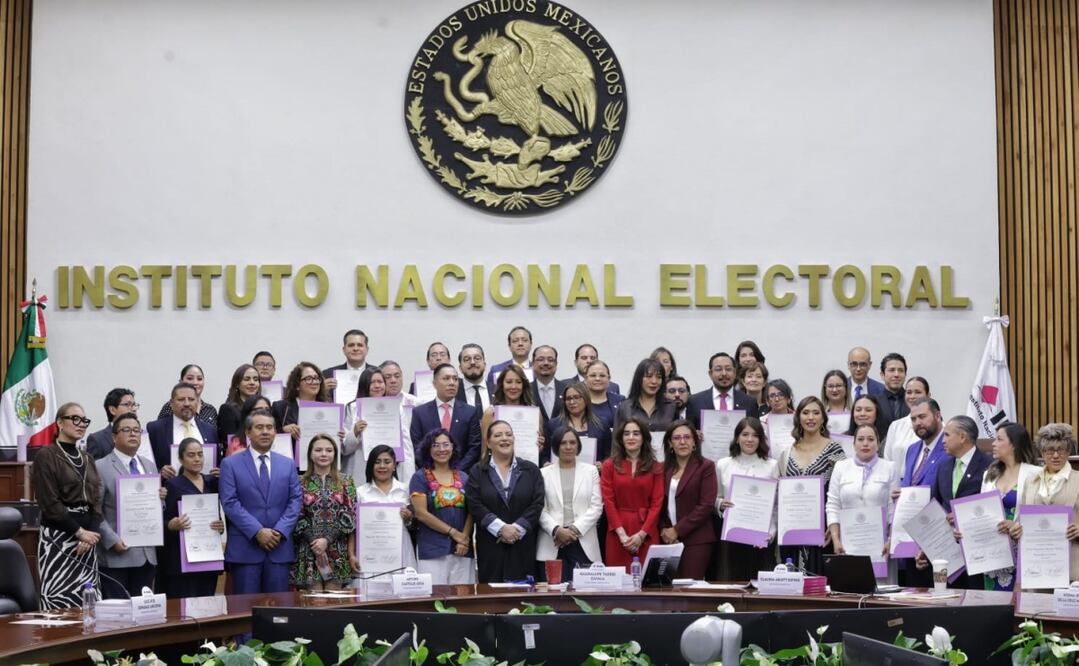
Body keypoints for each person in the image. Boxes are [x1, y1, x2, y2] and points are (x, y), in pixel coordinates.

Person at [220, 409, 302, 594]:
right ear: (248, 433)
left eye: (269, 427)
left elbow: (295, 500)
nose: (265, 432)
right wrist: (257, 531)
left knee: (280, 613)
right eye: (259, 427)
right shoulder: (230, 464)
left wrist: (279, 531)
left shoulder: (287, 464)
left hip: (278, 549)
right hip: (245, 549)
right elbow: (230, 502)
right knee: (244, 612)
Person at [33, 403, 103, 610]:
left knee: (88, 604)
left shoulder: (88, 458)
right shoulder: (46, 455)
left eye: (84, 420)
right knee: (59, 604)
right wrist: (78, 532)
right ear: (60, 423)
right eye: (75, 419)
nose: (81, 424)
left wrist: (90, 534)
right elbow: (49, 502)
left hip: (87, 539)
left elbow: (97, 500)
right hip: (58, 537)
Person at [465, 420, 545, 583]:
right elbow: (474, 504)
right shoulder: (477, 471)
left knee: (522, 600)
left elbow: (537, 503)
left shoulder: (531, 469)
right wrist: (500, 528)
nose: (504, 438)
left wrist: (516, 529)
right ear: (488, 443)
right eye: (498, 435)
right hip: (490, 545)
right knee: (492, 599)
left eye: (508, 434)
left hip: (523, 544)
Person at [95, 412, 160, 599]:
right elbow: (94, 510)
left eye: (137, 431)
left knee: (143, 617)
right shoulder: (100, 466)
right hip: (117, 556)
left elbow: (152, 507)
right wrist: (111, 539)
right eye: (127, 430)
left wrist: (160, 500)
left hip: (146, 555)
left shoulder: (149, 465)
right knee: (119, 619)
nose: (133, 434)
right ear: (114, 437)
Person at [777, 396, 846, 574]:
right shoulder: (787, 452)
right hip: (793, 530)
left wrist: (834, 525)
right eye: (805, 412)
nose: (811, 417)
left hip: (823, 531)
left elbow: (842, 491)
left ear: (823, 418)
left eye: (816, 413)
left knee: (820, 583)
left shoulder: (834, 449)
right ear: (798, 417)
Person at [826, 424, 899, 584]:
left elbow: (894, 508)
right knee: (851, 589)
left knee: (881, 594)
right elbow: (833, 504)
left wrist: (891, 539)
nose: (865, 443)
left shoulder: (890, 467)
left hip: (881, 546)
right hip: (849, 544)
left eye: (871, 439)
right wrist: (836, 539)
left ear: (878, 444)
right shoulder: (841, 467)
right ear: (854, 444)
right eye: (861, 439)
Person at [926, 415, 993, 589]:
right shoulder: (944, 465)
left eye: (947, 435)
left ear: (962, 437)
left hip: (977, 552)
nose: (943, 441)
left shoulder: (990, 466)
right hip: (946, 552)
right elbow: (936, 504)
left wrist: (962, 518)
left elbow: (992, 508)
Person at [974, 422, 1039, 591]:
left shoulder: (1036, 474)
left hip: (1021, 555)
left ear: (1014, 445)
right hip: (993, 557)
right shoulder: (988, 475)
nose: (993, 443)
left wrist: (1018, 526)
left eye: (999, 439)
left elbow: (1041, 516)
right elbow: (980, 513)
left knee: (1019, 610)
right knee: (993, 611)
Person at [1013, 424, 1079, 587]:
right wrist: (1016, 528)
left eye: (1061, 450)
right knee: (1034, 611)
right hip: (1034, 570)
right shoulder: (1030, 481)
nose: (1056, 455)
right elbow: (1021, 520)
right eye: (1050, 450)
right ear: (1042, 452)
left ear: (1069, 451)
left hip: (1072, 569)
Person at [290, 434, 358, 590]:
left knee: (334, 605)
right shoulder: (299, 482)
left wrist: (326, 540)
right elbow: (296, 516)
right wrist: (315, 543)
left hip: (337, 550)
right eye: (318, 450)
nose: (323, 454)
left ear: (335, 454)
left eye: (328, 450)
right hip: (308, 549)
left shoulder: (346, 481)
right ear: (310, 454)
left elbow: (349, 516)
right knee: (314, 604)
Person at [409, 429, 475, 584]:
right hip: (432, 550)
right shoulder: (420, 477)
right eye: (436, 445)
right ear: (428, 449)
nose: (442, 449)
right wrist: (453, 532)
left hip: (462, 549)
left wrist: (463, 539)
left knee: (462, 599)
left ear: (452, 447)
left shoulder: (465, 477)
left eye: (446, 444)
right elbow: (421, 513)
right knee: (434, 599)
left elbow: (472, 512)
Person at [716, 417, 778, 580]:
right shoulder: (723, 464)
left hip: (761, 539)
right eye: (745, 434)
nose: (750, 439)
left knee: (761, 589)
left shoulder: (771, 465)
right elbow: (716, 497)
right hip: (732, 538)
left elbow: (776, 505)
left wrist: (770, 533)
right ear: (737, 438)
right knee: (732, 586)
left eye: (755, 435)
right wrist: (720, 504)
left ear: (761, 439)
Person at [537, 428, 603, 581]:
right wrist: (557, 530)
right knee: (552, 598)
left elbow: (596, 507)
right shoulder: (543, 473)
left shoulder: (591, 471)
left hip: (582, 541)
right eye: (563, 443)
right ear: (555, 447)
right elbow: (539, 509)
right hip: (552, 542)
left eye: (572, 442)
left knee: (584, 599)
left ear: (578, 446)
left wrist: (572, 530)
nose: (568, 447)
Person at [162, 437, 225, 598]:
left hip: (208, 556)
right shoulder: (173, 485)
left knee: (207, 608)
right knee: (184, 610)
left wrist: (220, 527)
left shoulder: (212, 482)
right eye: (191, 455)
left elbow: (219, 516)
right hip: (182, 560)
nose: (197, 459)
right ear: (180, 459)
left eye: (200, 454)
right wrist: (172, 524)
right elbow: (162, 522)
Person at [896, 397, 948, 587]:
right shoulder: (912, 449)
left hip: (938, 539)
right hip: (910, 539)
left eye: (922, 417)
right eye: (913, 419)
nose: (918, 423)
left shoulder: (949, 447)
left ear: (937, 415)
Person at [600, 417, 663, 570]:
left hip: (646, 531)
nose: (631, 437)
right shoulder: (609, 465)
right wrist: (622, 535)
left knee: (647, 585)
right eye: (626, 434)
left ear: (644, 438)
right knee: (618, 584)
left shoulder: (656, 466)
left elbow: (657, 503)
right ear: (621, 439)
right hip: (618, 531)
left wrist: (642, 534)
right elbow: (608, 501)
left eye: (636, 433)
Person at [659, 421, 717, 580]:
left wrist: (677, 529)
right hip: (668, 539)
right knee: (668, 590)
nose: (682, 442)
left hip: (697, 540)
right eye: (677, 438)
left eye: (687, 437)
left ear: (694, 442)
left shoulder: (706, 466)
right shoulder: (662, 468)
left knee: (689, 590)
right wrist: (664, 528)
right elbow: (658, 503)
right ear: (670, 443)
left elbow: (706, 505)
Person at [356, 444, 417, 574]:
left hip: (401, 550)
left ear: (394, 465)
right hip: (370, 554)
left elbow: (413, 525)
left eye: (387, 462)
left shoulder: (406, 490)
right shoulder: (360, 492)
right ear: (371, 465)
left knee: (403, 591)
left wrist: (408, 518)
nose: (382, 466)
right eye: (377, 462)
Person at [410, 363, 482, 471]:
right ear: (434, 383)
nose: (452, 383)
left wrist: (457, 472)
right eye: (446, 378)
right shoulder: (420, 412)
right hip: (429, 475)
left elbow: (474, 447)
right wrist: (434, 472)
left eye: (455, 379)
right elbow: (417, 447)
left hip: (461, 476)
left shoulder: (470, 412)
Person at [147, 383, 216, 479]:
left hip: (204, 491)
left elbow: (217, 464)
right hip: (169, 490)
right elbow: (146, 464)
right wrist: (160, 472)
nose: (187, 404)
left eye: (191, 399)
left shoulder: (210, 430)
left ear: (197, 402)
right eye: (181, 399)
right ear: (171, 403)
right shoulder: (155, 428)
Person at [480, 364, 545, 462]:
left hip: (527, 469)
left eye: (518, 382)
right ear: (502, 384)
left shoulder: (535, 413)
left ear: (524, 385)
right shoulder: (491, 413)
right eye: (509, 382)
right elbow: (484, 450)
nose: (513, 386)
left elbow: (538, 447)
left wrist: (539, 447)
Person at [686, 352, 760, 429]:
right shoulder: (695, 401)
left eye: (728, 369)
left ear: (734, 373)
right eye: (718, 369)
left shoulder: (750, 402)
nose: (724, 373)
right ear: (710, 374)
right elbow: (688, 433)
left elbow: (756, 432)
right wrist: (695, 434)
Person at [546, 382, 611, 463]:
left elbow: (609, 454)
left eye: (576, 397)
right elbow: (545, 455)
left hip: (593, 474)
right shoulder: (553, 425)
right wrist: (546, 463)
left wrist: (603, 465)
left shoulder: (602, 424)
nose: (572, 402)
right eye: (568, 398)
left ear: (586, 398)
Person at [341, 367, 387, 479]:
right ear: (364, 385)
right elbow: (345, 449)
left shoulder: (394, 408)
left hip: (385, 467)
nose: (377, 386)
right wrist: (355, 432)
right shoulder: (352, 408)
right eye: (372, 382)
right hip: (359, 468)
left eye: (380, 382)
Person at [614, 358, 677, 435]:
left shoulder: (671, 407)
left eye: (659, 377)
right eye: (649, 376)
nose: (654, 381)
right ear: (639, 379)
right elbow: (616, 440)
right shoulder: (625, 407)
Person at [883, 376, 931, 477]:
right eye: (909, 392)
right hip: (896, 484)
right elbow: (887, 460)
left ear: (928, 396)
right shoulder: (895, 426)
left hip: (924, 484)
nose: (912, 396)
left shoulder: (936, 426)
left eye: (918, 392)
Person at [271, 361, 330, 440]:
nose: (315, 382)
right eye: (308, 379)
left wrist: (338, 435)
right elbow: (268, 435)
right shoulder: (280, 408)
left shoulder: (329, 408)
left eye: (316, 378)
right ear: (297, 385)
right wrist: (283, 431)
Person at [86, 388, 138, 460]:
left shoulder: (141, 436)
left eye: (134, 405)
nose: (133, 409)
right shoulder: (98, 440)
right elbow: (94, 469)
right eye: (127, 404)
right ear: (112, 410)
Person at [217, 364, 262, 445]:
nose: (252, 383)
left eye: (255, 379)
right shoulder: (228, 409)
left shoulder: (263, 408)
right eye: (247, 379)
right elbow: (228, 442)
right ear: (237, 384)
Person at [322, 329, 378, 394]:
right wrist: (322, 390)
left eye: (360, 345)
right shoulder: (328, 375)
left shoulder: (378, 374)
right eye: (351, 345)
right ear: (344, 350)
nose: (355, 349)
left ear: (367, 350)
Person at [486, 325, 534, 392]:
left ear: (531, 344)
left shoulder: (538, 370)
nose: (520, 343)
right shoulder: (496, 370)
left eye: (524, 340)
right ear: (509, 346)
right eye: (515, 341)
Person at [584, 360, 625, 432]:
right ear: (585, 380)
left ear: (609, 379)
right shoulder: (579, 401)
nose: (597, 379)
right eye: (593, 375)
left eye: (602, 375)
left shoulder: (620, 401)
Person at [531, 345, 566, 422]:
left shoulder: (566, 389)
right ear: (533, 364)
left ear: (556, 364)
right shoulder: (525, 390)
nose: (546, 363)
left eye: (550, 360)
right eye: (540, 359)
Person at [877, 353, 910, 432]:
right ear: (882, 375)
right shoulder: (874, 402)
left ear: (905, 374)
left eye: (901, 370)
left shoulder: (914, 400)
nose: (896, 374)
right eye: (891, 370)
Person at [456, 343, 491, 412]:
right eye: (467, 359)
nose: (472, 362)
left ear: (484, 365)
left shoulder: (497, 391)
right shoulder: (453, 393)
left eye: (477, 358)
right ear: (460, 368)